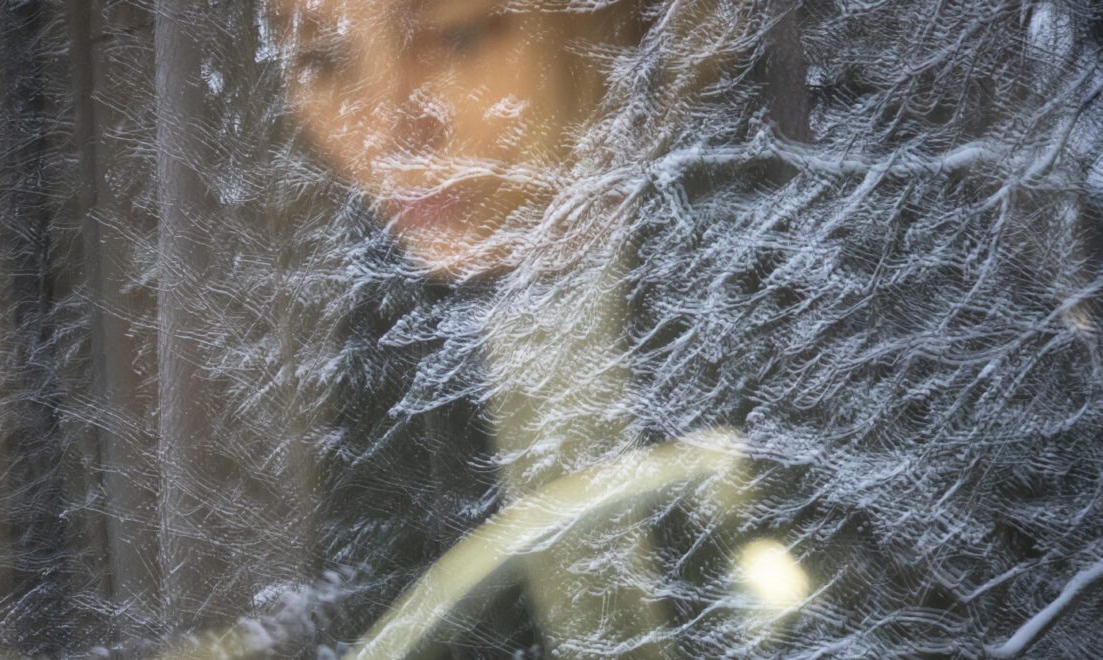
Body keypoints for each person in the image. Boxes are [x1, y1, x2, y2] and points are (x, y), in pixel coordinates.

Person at [263, 0, 1103, 657]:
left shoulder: (823, 224)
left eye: (455, 38)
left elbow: (953, 610)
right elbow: (388, 605)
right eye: (322, 60)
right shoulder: (411, 285)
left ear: (619, 16)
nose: (387, 132)